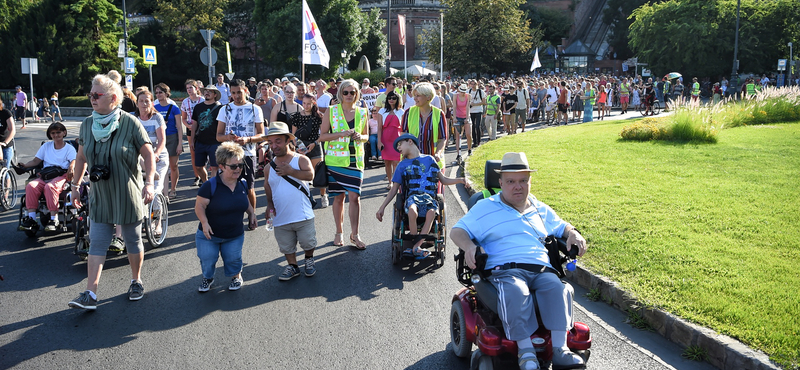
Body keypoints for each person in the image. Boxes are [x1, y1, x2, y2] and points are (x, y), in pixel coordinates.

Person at [451, 152, 588, 370]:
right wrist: (469, 246)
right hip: (506, 269)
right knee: (515, 290)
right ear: (500, 183)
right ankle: (526, 352)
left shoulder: (539, 208)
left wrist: (573, 233)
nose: (518, 187)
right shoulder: (485, 207)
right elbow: (457, 231)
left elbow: (562, 226)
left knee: (557, 288)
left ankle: (561, 350)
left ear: (529, 182)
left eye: (523, 181)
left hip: (542, 268)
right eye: (511, 181)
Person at [68, 73, 156, 310]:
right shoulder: (87, 124)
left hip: (127, 191)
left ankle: (136, 280)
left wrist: (149, 183)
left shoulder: (130, 122)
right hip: (100, 194)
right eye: (90, 95)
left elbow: (148, 154)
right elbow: (81, 157)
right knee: (97, 243)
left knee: (132, 240)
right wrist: (75, 187)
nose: (92, 99)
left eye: (97, 95)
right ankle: (90, 293)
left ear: (114, 97)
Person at [375, 134, 467, 258]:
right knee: (412, 211)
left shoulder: (430, 160)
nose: (399, 149)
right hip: (412, 198)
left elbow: (444, 180)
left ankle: (416, 246)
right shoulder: (402, 165)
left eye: (400, 145)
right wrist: (382, 207)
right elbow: (394, 189)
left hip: (428, 198)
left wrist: (460, 180)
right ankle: (415, 244)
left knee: (431, 213)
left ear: (410, 142)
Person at [194, 142, 257, 292]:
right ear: (221, 166)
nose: (238, 169)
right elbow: (199, 206)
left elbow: (245, 201)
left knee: (234, 259)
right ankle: (208, 278)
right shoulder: (210, 185)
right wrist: (204, 223)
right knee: (208, 259)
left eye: (240, 165)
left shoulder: (242, 183)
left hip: (234, 234)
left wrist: (252, 213)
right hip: (210, 234)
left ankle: (236, 277)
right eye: (233, 166)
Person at [318, 79, 369, 250]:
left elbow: (366, 135)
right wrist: (342, 133)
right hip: (335, 160)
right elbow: (322, 136)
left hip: (356, 160)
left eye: (352, 92)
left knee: (355, 197)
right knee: (339, 197)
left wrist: (359, 137)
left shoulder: (363, 112)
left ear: (357, 94)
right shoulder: (331, 111)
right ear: (340, 93)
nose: (349, 95)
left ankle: (355, 234)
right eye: (345, 92)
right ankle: (339, 232)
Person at [262, 122, 317, 281]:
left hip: (303, 214)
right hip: (280, 216)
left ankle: (308, 259)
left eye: (278, 141)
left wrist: (291, 171)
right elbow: (268, 186)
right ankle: (293, 266)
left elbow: (310, 176)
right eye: (271, 142)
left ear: (288, 140)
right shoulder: (268, 168)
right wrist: (269, 206)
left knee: (308, 241)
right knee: (285, 244)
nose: (274, 146)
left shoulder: (301, 159)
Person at [216, 78, 266, 209]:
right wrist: (228, 137)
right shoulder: (224, 109)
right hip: (229, 154)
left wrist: (247, 139)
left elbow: (262, 135)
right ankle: (231, 215)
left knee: (249, 188)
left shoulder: (255, 109)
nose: (236, 96)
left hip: (248, 153)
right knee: (227, 187)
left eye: (239, 92)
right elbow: (218, 136)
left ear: (245, 91)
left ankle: (252, 216)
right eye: (233, 93)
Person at [17, 122, 76, 232]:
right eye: (53, 133)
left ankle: (54, 219)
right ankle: (32, 219)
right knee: (31, 186)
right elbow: (36, 161)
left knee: (50, 187)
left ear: (64, 133)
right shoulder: (46, 146)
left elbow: (74, 160)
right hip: (46, 174)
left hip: (62, 175)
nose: (56, 135)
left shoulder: (69, 148)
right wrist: (25, 165)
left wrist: (71, 167)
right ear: (49, 134)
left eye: (58, 132)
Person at [291, 93, 327, 207]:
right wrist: (298, 147)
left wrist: (315, 143)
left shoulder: (318, 116)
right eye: (304, 103)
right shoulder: (297, 116)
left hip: (315, 145)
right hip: (301, 146)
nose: (306, 106)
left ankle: (323, 195)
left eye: (308, 104)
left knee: (319, 172)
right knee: (303, 174)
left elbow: (324, 134)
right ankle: (307, 197)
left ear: (313, 103)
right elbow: (293, 135)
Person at [401, 82, 447, 170]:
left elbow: (442, 139)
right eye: (414, 95)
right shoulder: (408, 112)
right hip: (412, 162)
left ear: (428, 97)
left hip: (433, 163)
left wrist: (438, 153)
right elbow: (403, 135)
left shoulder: (439, 114)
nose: (414, 98)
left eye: (418, 96)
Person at [134, 89, 168, 197]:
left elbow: (162, 139)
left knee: (156, 188)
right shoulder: (132, 118)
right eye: (141, 101)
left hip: (156, 154)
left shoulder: (157, 117)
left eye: (147, 101)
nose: (144, 104)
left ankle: (157, 211)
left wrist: (156, 154)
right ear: (137, 103)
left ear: (152, 103)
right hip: (139, 156)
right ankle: (149, 171)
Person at [153, 83, 183, 198]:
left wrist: (180, 143)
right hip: (159, 139)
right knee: (161, 165)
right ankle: (162, 190)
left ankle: (173, 189)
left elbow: (179, 127)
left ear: (166, 93)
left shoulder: (174, 108)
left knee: (173, 165)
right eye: (156, 93)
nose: (158, 95)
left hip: (172, 137)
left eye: (160, 92)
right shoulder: (154, 108)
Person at [191, 84, 223, 185]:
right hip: (200, 141)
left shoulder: (220, 108)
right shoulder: (198, 107)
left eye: (210, 91)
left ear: (215, 95)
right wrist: (192, 140)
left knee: (215, 167)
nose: (207, 93)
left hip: (215, 141)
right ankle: (206, 183)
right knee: (198, 167)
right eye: (205, 91)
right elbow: (194, 124)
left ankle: (212, 187)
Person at [378, 91, 404, 189]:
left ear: (397, 100)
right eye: (389, 98)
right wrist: (379, 141)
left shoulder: (401, 111)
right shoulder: (382, 111)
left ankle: (396, 182)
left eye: (393, 98)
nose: (391, 100)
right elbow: (379, 128)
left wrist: (403, 141)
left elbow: (404, 128)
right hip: (385, 138)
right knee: (387, 162)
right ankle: (390, 182)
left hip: (397, 139)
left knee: (396, 161)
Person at [181, 79, 204, 187]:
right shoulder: (185, 101)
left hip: (203, 129)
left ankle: (204, 175)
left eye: (191, 87)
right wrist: (189, 126)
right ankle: (197, 176)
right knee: (193, 152)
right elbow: (184, 118)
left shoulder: (203, 100)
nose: (189, 90)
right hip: (191, 128)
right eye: (187, 88)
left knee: (204, 151)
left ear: (196, 88)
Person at [452, 84, 473, 162]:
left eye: (464, 92)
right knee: (458, 135)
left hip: (466, 116)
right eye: (461, 91)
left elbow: (468, 107)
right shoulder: (455, 96)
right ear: (459, 90)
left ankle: (469, 149)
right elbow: (454, 106)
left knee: (468, 134)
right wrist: (454, 117)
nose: (463, 93)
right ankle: (458, 154)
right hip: (458, 116)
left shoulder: (468, 96)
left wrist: (467, 118)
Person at [468, 80, 486, 145]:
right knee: (472, 126)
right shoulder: (468, 91)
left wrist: (475, 104)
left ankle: (478, 141)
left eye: (474, 84)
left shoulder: (481, 92)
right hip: (471, 111)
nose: (473, 86)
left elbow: (484, 102)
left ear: (476, 84)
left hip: (478, 110)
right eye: (471, 84)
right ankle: (474, 141)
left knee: (477, 126)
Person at [0, 99, 16, 169]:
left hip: (5, 145)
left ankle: (7, 179)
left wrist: (5, 143)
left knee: (5, 169)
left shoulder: (5, 113)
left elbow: (13, 130)